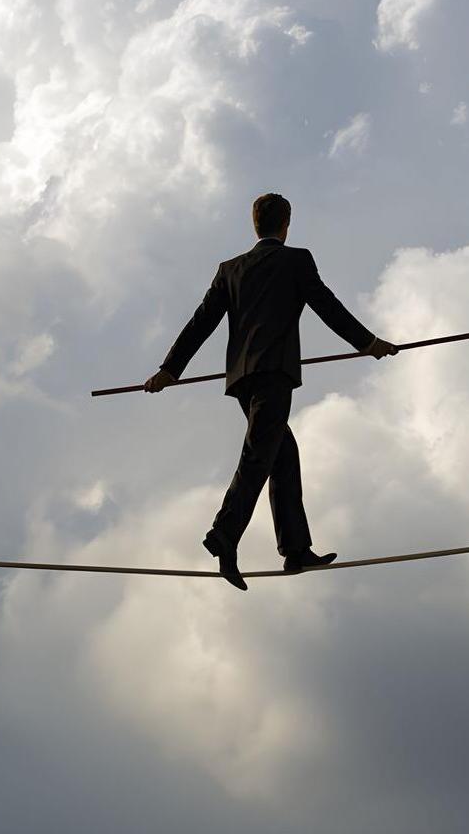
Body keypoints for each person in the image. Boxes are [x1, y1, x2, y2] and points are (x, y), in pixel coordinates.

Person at [144, 193, 399, 590]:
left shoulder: (230, 269)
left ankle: (296, 550)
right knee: (259, 456)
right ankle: (224, 535)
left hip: (243, 379)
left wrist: (169, 370)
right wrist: (368, 344)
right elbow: (326, 306)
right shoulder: (296, 260)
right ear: (287, 223)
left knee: (282, 456)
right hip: (274, 374)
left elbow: (200, 324)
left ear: (255, 224)